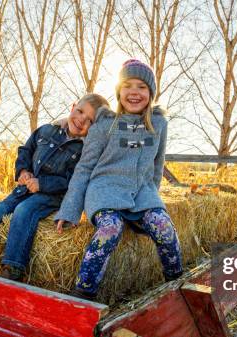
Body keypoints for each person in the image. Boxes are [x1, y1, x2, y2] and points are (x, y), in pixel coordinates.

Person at [54, 59, 183, 300]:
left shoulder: (158, 124)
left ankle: (177, 285)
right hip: (104, 191)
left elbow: (157, 165)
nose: (134, 92)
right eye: (128, 86)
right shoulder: (105, 125)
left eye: (142, 87)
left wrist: (150, 202)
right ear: (119, 91)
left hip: (141, 193)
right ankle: (83, 292)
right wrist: (70, 210)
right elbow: (84, 168)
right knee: (110, 229)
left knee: (165, 227)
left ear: (151, 93)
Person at [0, 93, 110, 280]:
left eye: (89, 120)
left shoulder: (86, 149)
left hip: (53, 195)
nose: (81, 120)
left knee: (24, 210)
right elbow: (26, 150)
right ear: (73, 107)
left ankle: (13, 267)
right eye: (79, 112)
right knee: (2, 208)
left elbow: (74, 180)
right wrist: (23, 171)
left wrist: (43, 184)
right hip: (26, 188)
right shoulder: (47, 130)